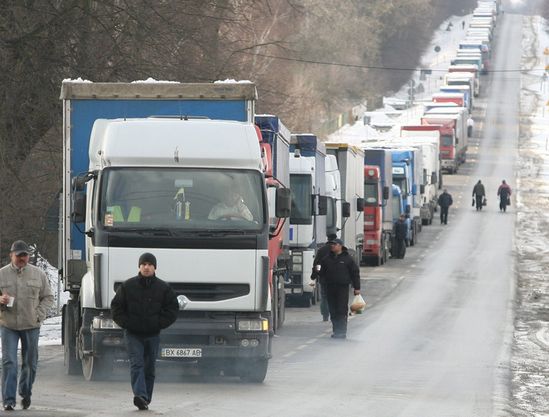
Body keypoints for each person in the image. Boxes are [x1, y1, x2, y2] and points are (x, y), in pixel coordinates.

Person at [111, 253, 179, 411]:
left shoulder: (163, 288)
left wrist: (159, 324)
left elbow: (172, 309)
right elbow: (116, 308)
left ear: (155, 267)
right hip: (133, 334)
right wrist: (126, 323)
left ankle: (145, 399)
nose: (146, 267)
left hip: (152, 334)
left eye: (149, 264)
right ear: (139, 267)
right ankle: (140, 395)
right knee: (137, 364)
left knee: (150, 367)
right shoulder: (127, 286)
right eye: (143, 264)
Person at [0, 240, 53, 411]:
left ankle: (25, 391)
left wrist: (39, 315)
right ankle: (8, 400)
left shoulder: (38, 274)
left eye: (25, 255)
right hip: (8, 325)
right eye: (19, 255)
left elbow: (48, 297)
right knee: (9, 361)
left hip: (31, 325)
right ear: (11, 255)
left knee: (30, 363)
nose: (23, 258)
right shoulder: (2, 274)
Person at [319, 239, 361, 339]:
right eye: (331, 244)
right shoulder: (326, 259)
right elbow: (321, 273)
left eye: (334, 244)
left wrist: (357, 287)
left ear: (340, 246)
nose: (332, 246)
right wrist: (322, 281)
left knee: (341, 309)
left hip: (342, 288)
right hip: (330, 287)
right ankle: (336, 331)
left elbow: (355, 273)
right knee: (332, 310)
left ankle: (342, 331)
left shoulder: (347, 259)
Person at [311, 234, 337, 322]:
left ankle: (325, 316)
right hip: (336, 279)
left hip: (324, 278)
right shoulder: (339, 250)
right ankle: (334, 314)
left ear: (328, 239)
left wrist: (315, 274)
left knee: (324, 297)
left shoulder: (321, 250)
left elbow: (317, 264)